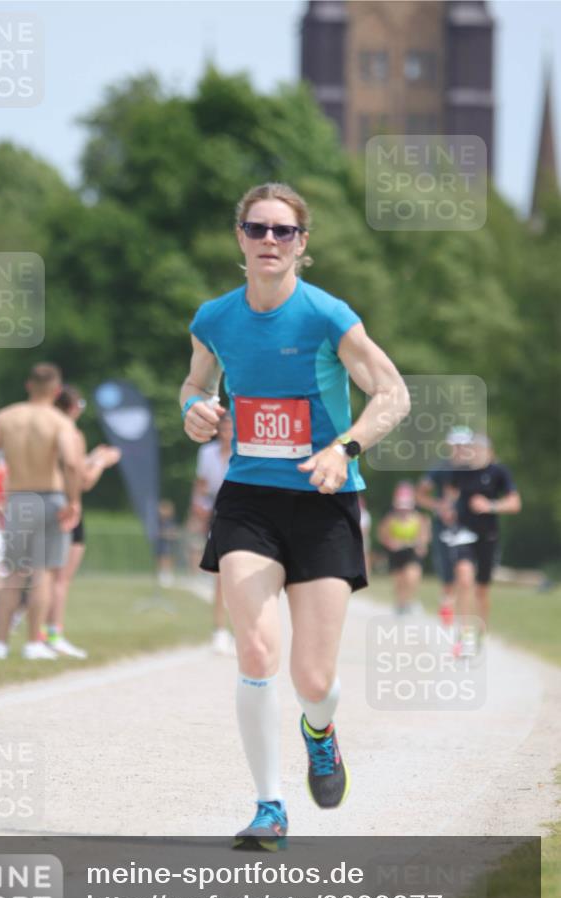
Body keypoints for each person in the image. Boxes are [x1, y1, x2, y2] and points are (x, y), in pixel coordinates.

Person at [180, 182, 409, 849]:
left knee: (313, 678)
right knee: (254, 649)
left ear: (303, 244)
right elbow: (197, 383)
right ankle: (269, 806)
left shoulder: (327, 316)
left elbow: (392, 393)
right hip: (248, 498)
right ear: (240, 239)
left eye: (284, 231)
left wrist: (347, 447)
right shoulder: (214, 319)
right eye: (258, 229)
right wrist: (192, 409)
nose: (270, 241)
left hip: (323, 502)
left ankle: (321, 731)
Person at [0, 363, 81, 660]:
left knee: (13, 573)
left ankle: (0, 642)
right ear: (57, 390)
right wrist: (73, 501)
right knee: (43, 573)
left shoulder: (5, 416)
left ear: (28, 386)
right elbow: (72, 463)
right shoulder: (59, 421)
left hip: (17, 499)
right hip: (50, 498)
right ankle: (33, 643)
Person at [44, 385, 121, 656]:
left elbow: (69, 467)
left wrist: (91, 458)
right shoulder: (71, 434)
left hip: (44, 503)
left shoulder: (45, 431)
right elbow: (83, 480)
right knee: (61, 579)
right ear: (74, 408)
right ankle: (54, 634)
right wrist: (102, 462)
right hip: (68, 508)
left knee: (47, 576)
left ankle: (41, 634)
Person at [446, 434, 521, 653]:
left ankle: (481, 632)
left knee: (482, 589)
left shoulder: (499, 472)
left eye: (478, 449)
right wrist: (449, 509)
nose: (474, 453)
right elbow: (451, 494)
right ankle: (465, 634)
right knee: (464, 578)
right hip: (463, 533)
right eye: (472, 449)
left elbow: (515, 503)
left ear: (489, 451)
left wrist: (490, 506)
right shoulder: (461, 472)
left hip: (488, 535)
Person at [416, 426, 473, 624]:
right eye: (457, 445)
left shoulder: (476, 469)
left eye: (464, 445)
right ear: (450, 446)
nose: (460, 449)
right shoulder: (440, 469)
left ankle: (463, 623)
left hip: (469, 529)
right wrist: (439, 506)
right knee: (449, 579)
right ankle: (447, 604)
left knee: (465, 576)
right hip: (444, 528)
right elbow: (420, 495)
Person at [191, 411, 235, 654]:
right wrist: (197, 508)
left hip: (240, 506)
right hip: (216, 507)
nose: (227, 433)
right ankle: (219, 629)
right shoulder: (206, 453)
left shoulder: (242, 451)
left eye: (231, 428)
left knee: (238, 575)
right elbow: (201, 485)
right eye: (224, 428)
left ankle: (241, 629)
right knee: (220, 572)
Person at [378, 481, 430, 614]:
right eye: (401, 507)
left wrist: (421, 545)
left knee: (412, 576)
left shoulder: (418, 518)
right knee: (399, 581)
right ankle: (400, 603)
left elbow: (424, 535)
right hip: (396, 553)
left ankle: (410, 601)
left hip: (411, 551)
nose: (404, 510)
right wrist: (391, 543)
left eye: (406, 507)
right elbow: (382, 535)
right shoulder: (390, 518)